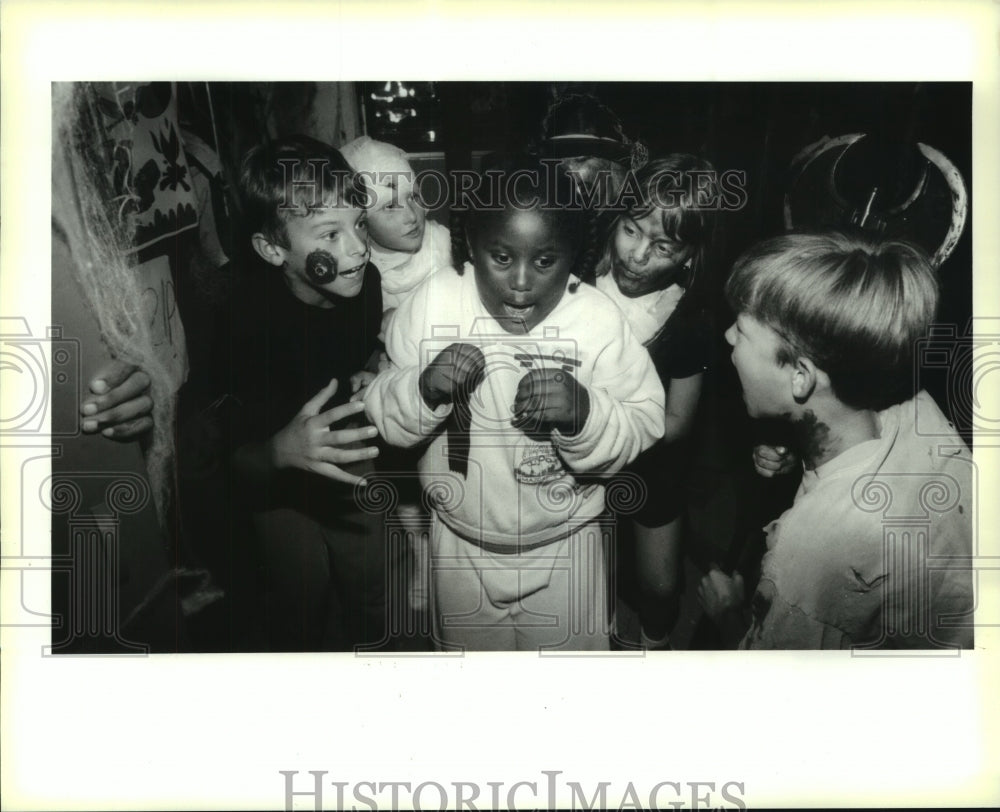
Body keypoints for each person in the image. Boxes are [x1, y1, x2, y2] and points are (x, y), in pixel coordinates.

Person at [362, 156, 665, 651]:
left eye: (545, 261)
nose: (521, 282)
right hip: (461, 544)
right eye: (500, 258)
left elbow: (646, 420)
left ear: (575, 258)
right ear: (470, 249)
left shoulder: (596, 319)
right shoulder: (436, 301)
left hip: (566, 544)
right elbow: (381, 408)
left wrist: (585, 413)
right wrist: (425, 387)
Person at [698, 230, 974, 649]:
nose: (728, 339)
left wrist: (728, 614)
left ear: (801, 377)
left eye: (741, 329)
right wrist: (802, 455)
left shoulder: (813, 549)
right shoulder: (914, 406)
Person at [205, 135, 387, 651]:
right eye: (329, 234)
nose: (356, 248)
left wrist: (373, 366)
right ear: (273, 249)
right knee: (300, 597)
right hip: (271, 475)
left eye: (357, 223)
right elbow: (231, 463)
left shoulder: (364, 282)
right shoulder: (238, 313)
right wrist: (281, 451)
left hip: (346, 452)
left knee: (372, 585)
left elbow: (356, 352)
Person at [593, 154, 718, 650]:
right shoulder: (577, 273)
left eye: (663, 245)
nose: (637, 255)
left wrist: (608, 424)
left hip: (653, 467)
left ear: (689, 255)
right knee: (588, 574)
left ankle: (656, 646)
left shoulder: (690, 321)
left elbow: (680, 422)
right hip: (572, 461)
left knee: (660, 587)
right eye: (630, 230)